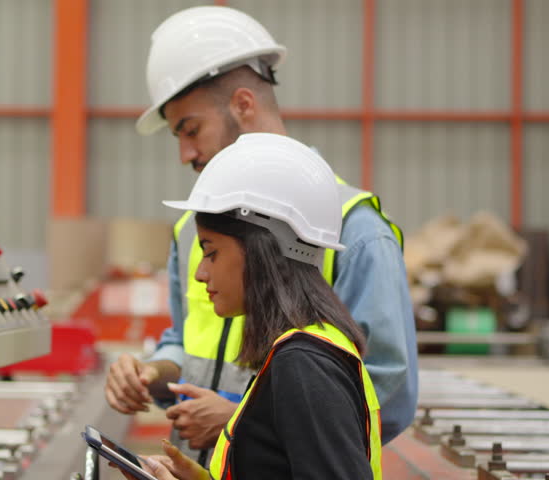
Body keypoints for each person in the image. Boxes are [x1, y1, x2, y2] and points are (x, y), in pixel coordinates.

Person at [104, 5, 417, 463]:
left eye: (191, 129)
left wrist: (239, 419)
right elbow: (187, 343)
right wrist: (149, 372)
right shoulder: (191, 233)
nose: (186, 153)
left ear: (243, 105)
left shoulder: (355, 230)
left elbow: (383, 389)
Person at [116, 133, 381, 480]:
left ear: (261, 252)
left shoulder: (303, 365)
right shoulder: (299, 352)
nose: (199, 273)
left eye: (211, 252)